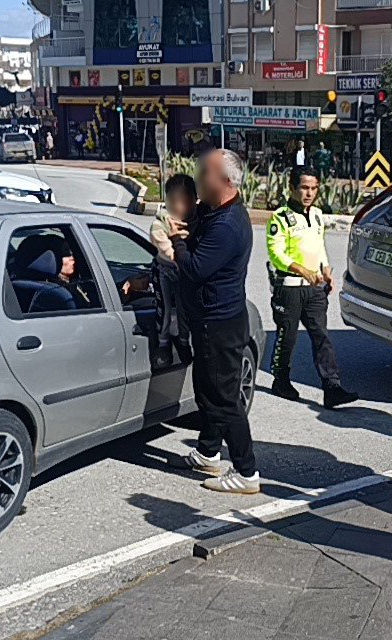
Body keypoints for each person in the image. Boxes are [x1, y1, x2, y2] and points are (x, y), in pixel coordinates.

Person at [167, 148, 260, 495]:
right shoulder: (214, 210)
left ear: (222, 181)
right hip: (210, 319)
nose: (197, 178)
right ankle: (208, 452)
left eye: (202, 172)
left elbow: (194, 269)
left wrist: (177, 241)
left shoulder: (228, 225)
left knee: (223, 398)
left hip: (219, 323)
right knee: (206, 390)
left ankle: (246, 472)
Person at [267, 167, 358, 408]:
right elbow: (276, 253)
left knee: (321, 336)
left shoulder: (317, 214)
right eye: (304, 188)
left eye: (314, 188)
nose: (309, 193)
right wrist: (302, 270)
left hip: (315, 290)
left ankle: (332, 387)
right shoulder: (281, 217)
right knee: (288, 337)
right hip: (290, 287)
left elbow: (319, 246)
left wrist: (326, 268)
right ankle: (281, 379)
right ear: (292, 188)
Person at [148, 174, 197, 365]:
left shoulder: (196, 220)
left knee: (185, 310)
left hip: (184, 272)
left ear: (194, 200)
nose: (179, 207)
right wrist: (178, 257)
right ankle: (163, 345)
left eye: (185, 202)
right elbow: (164, 246)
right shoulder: (162, 222)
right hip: (165, 270)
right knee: (165, 310)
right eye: (174, 201)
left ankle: (183, 341)